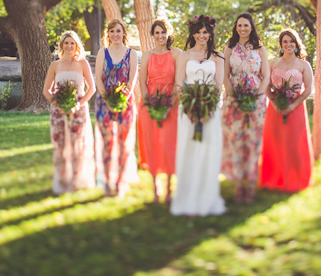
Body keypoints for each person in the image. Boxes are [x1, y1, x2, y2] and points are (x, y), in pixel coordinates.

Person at [170, 15, 226, 216]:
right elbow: (179, 84)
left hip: (211, 109)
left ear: (210, 33)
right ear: (193, 34)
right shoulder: (184, 56)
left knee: (208, 150)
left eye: (205, 32)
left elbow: (218, 86)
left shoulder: (218, 56)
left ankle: (207, 197)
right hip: (187, 108)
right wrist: (190, 107)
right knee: (189, 148)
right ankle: (187, 198)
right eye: (198, 32)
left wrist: (207, 108)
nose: (202, 36)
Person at [221, 13, 270, 203]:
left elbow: (265, 76)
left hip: (256, 100)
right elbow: (225, 75)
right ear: (236, 27)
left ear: (251, 27)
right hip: (233, 100)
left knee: (252, 141)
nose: (243, 28)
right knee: (236, 139)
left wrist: (257, 96)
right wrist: (233, 95)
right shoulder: (229, 49)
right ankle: (238, 184)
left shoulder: (260, 48)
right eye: (240, 25)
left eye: (246, 25)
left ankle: (250, 185)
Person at [259, 29, 314, 192]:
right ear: (281, 45)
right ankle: (275, 178)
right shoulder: (273, 64)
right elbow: (267, 87)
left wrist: (292, 105)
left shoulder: (304, 65)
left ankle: (297, 178)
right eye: (285, 42)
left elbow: (308, 89)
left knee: (294, 142)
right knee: (275, 142)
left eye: (291, 42)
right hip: (275, 109)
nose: (288, 44)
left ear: (296, 45)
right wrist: (275, 104)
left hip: (295, 108)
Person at [43, 30, 96, 195]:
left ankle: (76, 179)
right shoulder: (55, 65)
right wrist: (56, 104)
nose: (69, 46)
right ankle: (62, 179)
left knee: (76, 144)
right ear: (61, 45)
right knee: (60, 144)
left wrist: (78, 105)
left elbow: (92, 89)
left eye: (72, 43)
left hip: (78, 110)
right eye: (66, 43)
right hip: (58, 111)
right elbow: (46, 90)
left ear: (76, 45)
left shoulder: (82, 64)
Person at [138, 19, 182, 203]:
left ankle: (170, 188)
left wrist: (169, 102)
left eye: (163, 32)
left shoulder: (177, 53)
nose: (160, 36)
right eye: (157, 33)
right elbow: (142, 81)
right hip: (150, 103)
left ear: (168, 33)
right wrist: (149, 101)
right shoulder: (147, 54)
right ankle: (155, 187)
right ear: (153, 35)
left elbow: (179, 82)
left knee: (167, 144)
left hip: (171, 103)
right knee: (152, 144)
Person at [95, 19, 139, 197]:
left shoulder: (132, 54)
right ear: (108, 34)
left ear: (123, 33)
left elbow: (132, 80)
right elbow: (98, 78)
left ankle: (120, 181)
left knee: (123, 142)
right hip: (104, 103)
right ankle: (106, 182)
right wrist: (107, 100)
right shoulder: (102, 53)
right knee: (107, 143)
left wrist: (121, 100)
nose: (115, 34)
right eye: (112, 31)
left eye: (118, 31)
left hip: (125, 103)